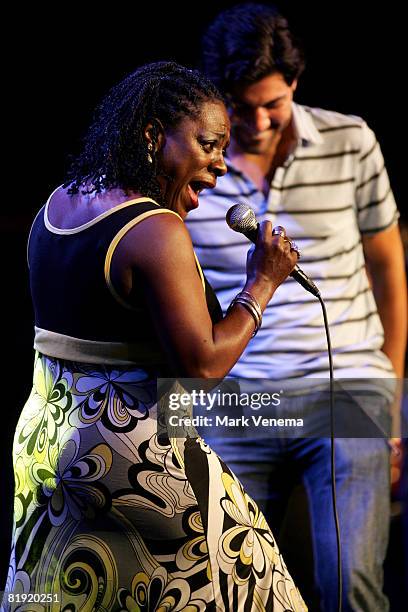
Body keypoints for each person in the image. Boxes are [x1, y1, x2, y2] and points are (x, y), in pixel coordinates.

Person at [1, 62, 307, 611]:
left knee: (80, 593)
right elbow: (204, 363)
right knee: (249, 581)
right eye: (208, 144)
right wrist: (262, 284)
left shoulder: (59, 203)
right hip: (133, 457)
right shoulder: (154, 229)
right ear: (152, 136)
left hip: (45, 448)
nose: (219, 166)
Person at [186, 4, 407, 611]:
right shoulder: (191, 163)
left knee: (349, 585)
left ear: (294, 87)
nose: (256, 121)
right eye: (239, 105)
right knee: (222, 591)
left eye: (272, 104)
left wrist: (392, 394)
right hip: (235, 400)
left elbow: (389, 267)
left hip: (348, 386)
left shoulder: (351, 140)